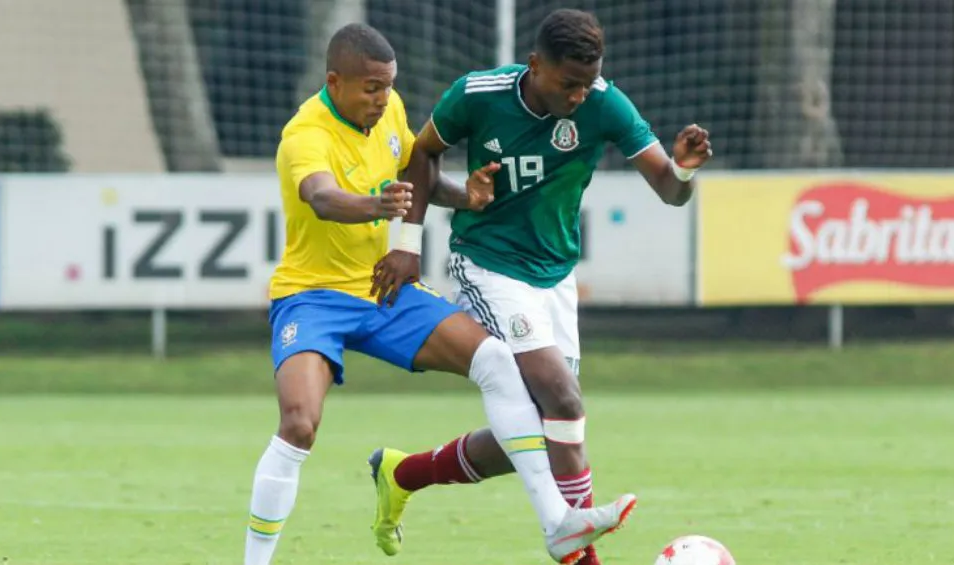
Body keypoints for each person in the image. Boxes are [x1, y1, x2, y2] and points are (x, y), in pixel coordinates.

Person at [243, 21, 635, 565]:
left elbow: (415, 176)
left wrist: (466, 197)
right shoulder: (304, 134)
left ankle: (558, 525)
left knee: (498, 361)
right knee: (299, 424)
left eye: (388, 86)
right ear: (335, 81)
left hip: (383, 288)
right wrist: (375, 206)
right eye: (370, 89)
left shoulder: (394, 111)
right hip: (312, 298)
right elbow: (323, 197)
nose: (383, 100)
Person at [369, 8, 713, 565]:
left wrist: (685, 171)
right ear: (535, 65)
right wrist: (406, 244)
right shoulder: (477, 95)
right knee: (563, 397)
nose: (580, 95)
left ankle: (402, 473)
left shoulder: (605, 102)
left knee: (547, 430)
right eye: (568, 83)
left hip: (554, 277)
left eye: (587, 82)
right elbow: (423, 152)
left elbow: (669, 190)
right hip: (487, 264)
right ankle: (576, 549)